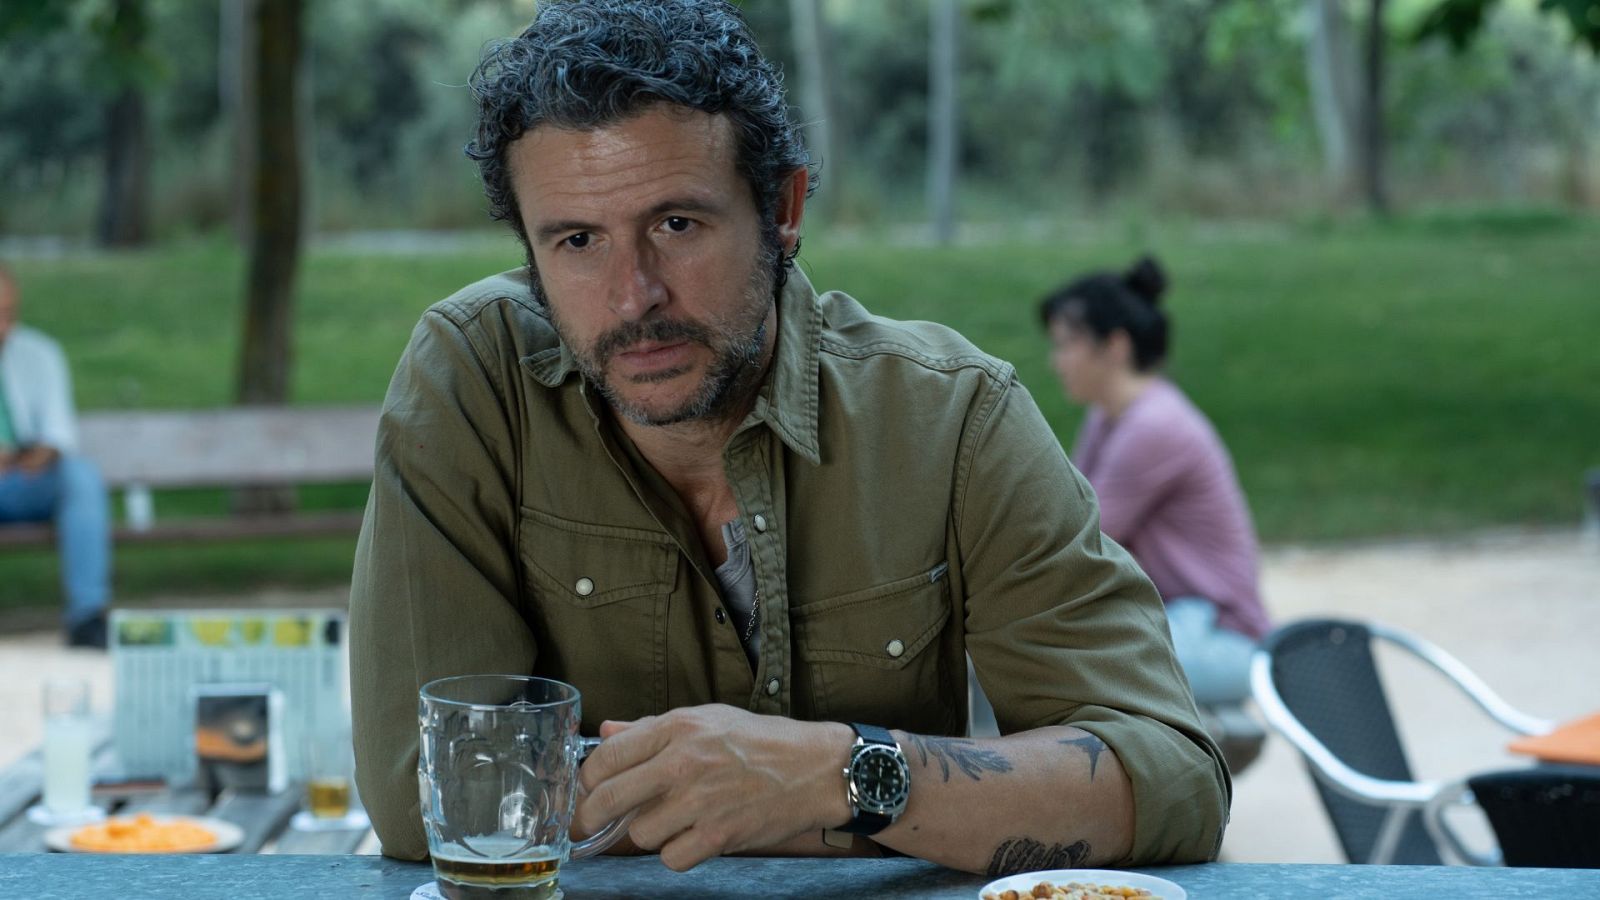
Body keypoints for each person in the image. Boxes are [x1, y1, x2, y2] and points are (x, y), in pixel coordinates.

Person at [350, 0, 1226, 876]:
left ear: (783, 206)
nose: (633, 296)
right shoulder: (473, 382)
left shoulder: (951, 418)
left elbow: (1171, 780)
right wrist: (759, 796)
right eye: (577, 241)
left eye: (676, 225)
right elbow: (420, 795)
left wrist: (838, 776)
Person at [1038, 256, 1271, 710]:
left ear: (1115, 346)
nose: (1056, 361)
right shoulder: (1108, 416)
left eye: (1066, 345)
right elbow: (1064, 515)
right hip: (1176, 619)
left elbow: (1078, 542)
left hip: (1219, 634)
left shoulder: (1154, 425)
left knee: (1053, 666)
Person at [0, 262, 113, 649]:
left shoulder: (39, 353)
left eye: (8, 313)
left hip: (26, 480)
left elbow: (58, 432)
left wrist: (37, 455)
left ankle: (87, 616)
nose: (3, 325)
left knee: (79, 477)